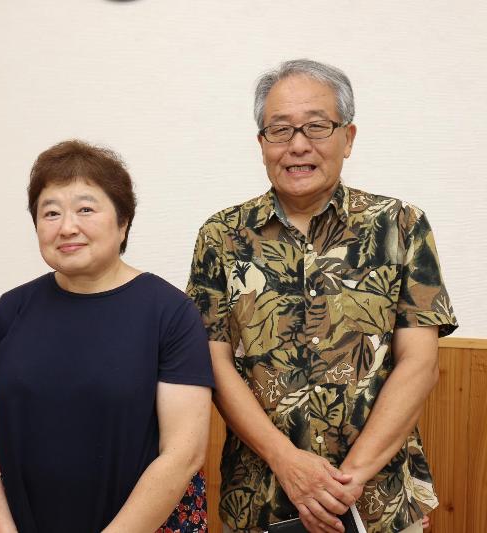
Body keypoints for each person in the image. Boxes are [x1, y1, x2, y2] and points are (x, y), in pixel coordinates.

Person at [186, 59, 457, 533]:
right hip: (260, 499)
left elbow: (421, 365)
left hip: (379, 503)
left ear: (348, 138)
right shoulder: (221, 237)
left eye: (316, 126)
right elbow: (214, 362)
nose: (297, 145)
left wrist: (342, 485)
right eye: (280, 130)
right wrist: (287, 461)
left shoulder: (401, 226)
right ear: (261, 144)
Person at [0, 140, 215, 533]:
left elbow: (184, 452)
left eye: (85, 209)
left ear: (123, 221)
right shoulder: (12, 309)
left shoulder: (170, 312)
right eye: (50, 212)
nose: (67, 227)